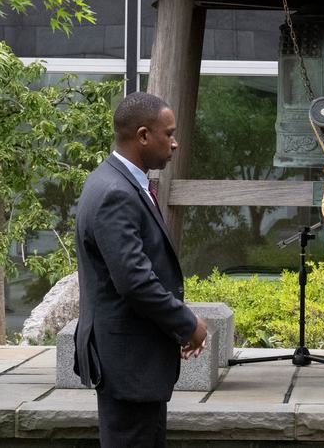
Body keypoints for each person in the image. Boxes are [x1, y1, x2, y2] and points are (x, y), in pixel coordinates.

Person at [74, 91, 207, 447]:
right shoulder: (115, 191)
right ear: (144, 135)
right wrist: (187, 323)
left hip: (134, 361)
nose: (175, 143)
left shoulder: (116, 181)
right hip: (129, 365)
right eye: (169, 133)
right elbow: (134, 280)